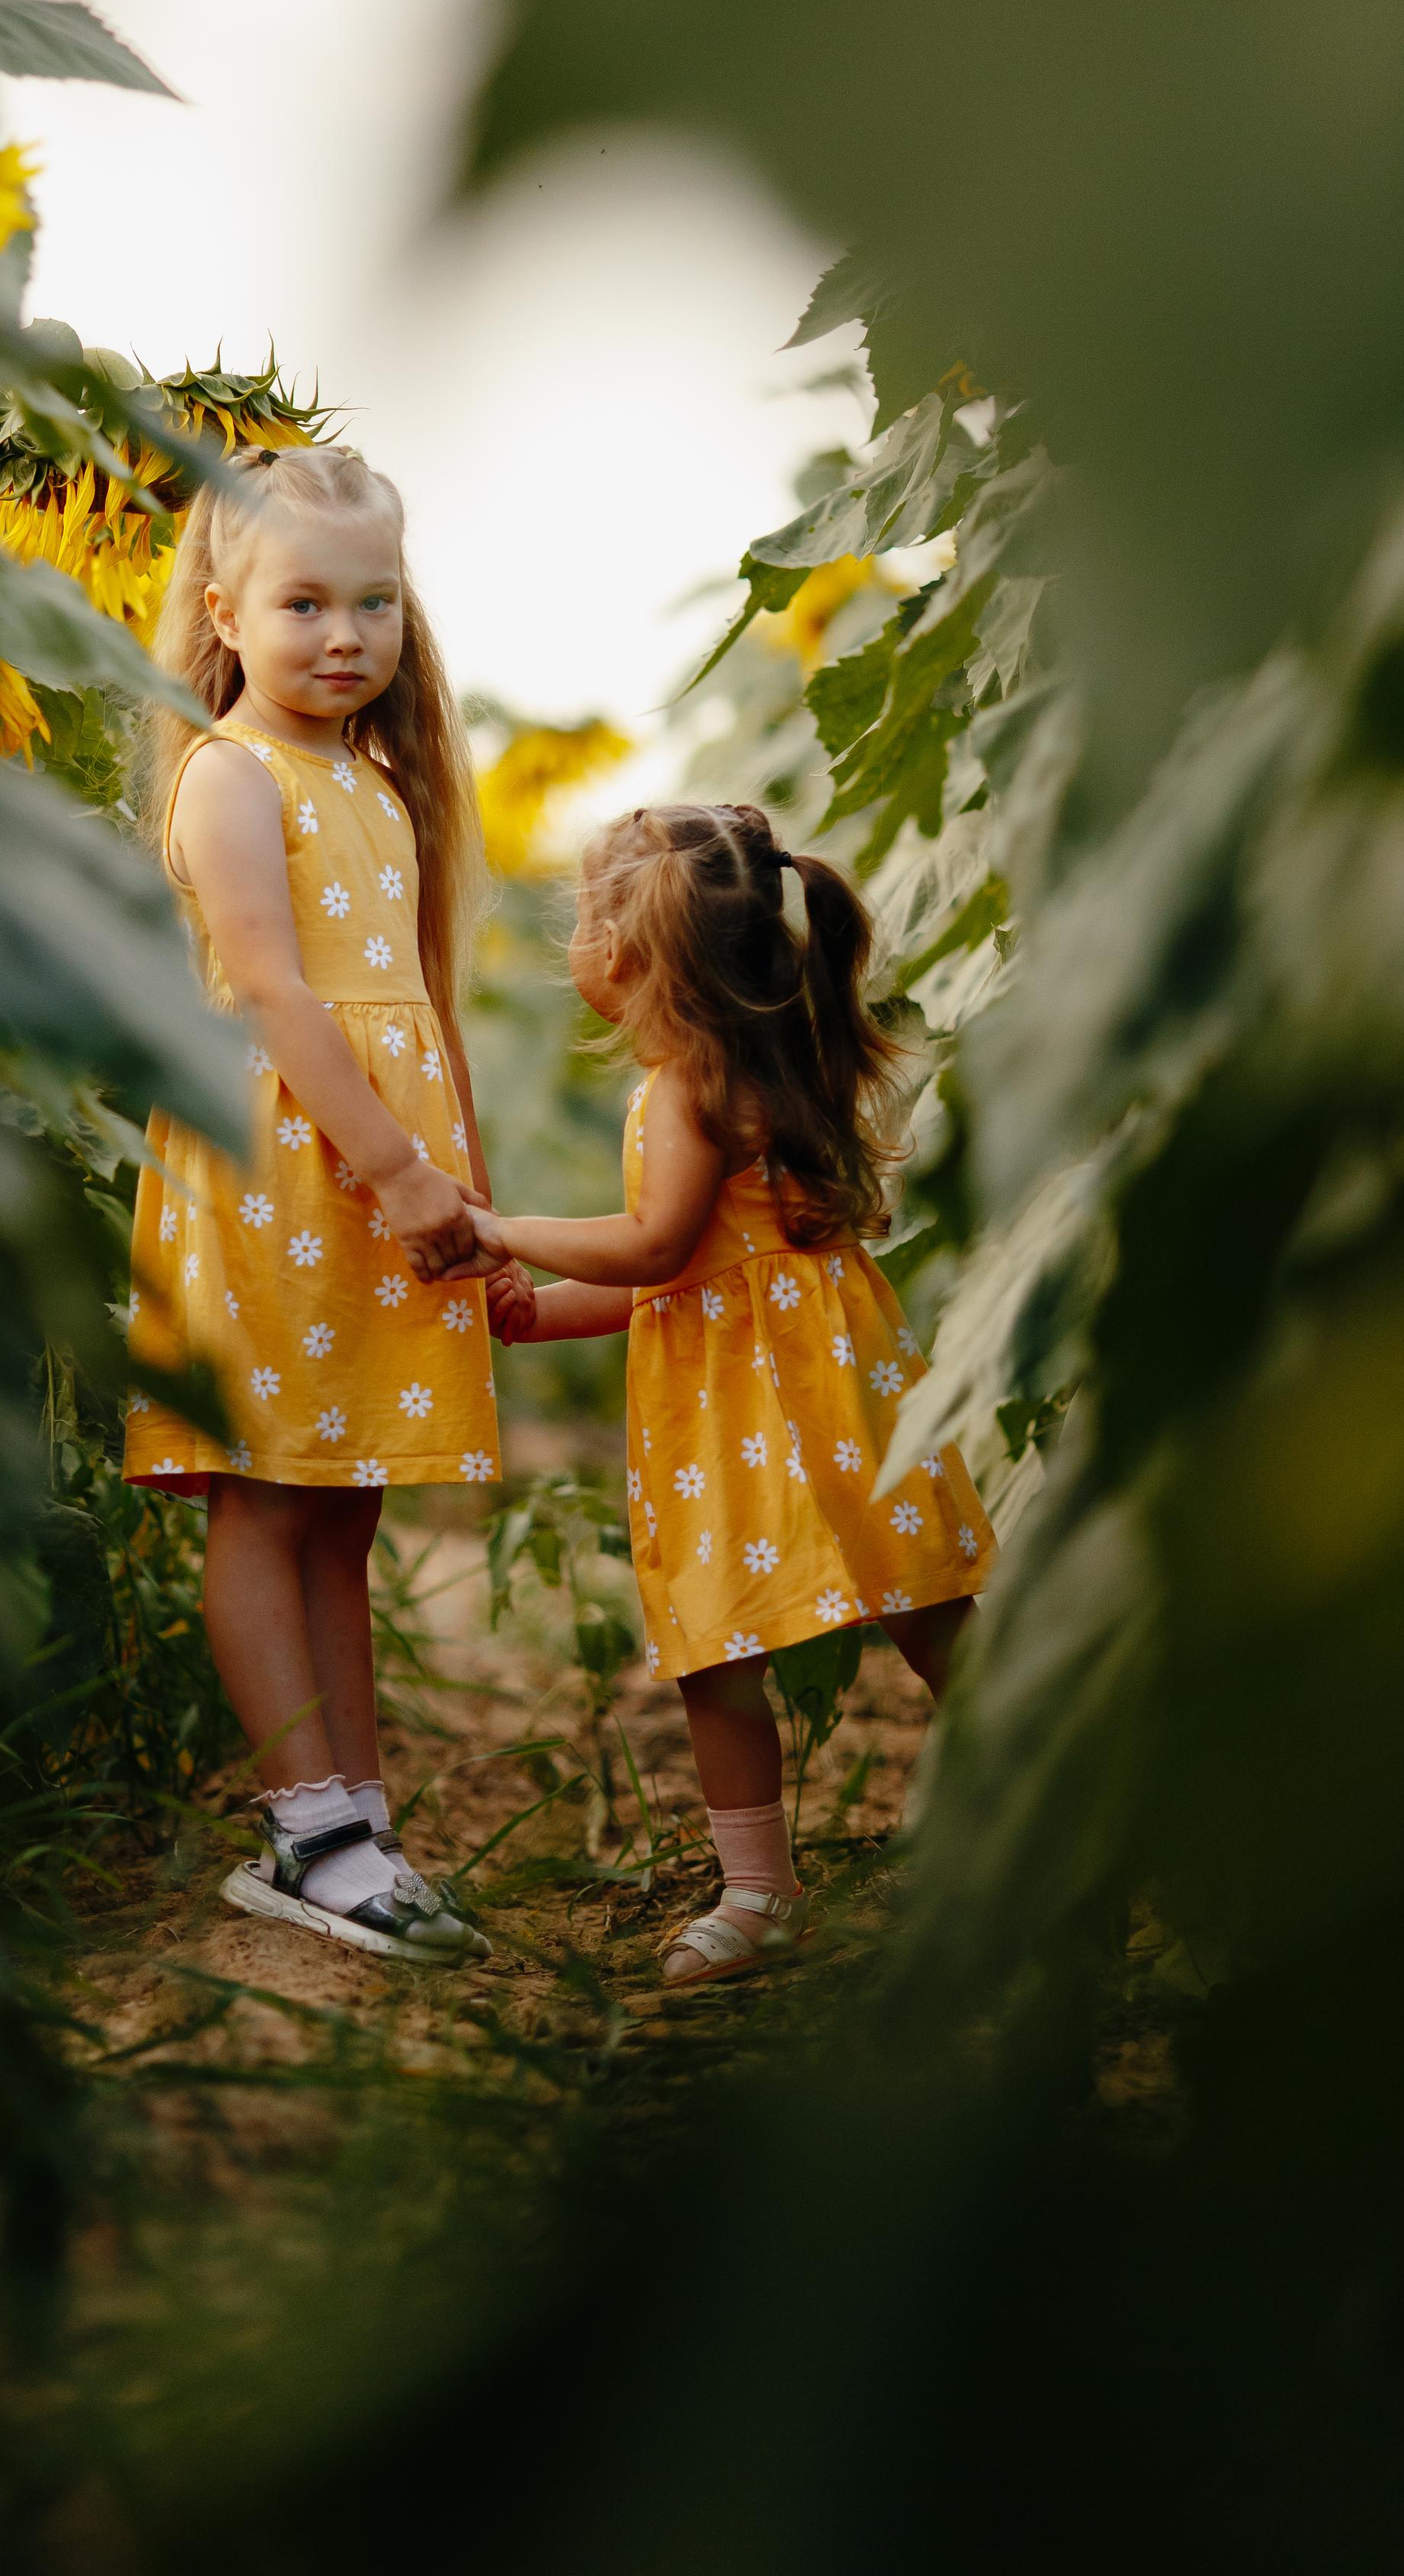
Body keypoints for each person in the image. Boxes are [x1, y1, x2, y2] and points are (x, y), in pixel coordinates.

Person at [472, 800, 997, 1986]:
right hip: (799, 1379)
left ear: (620, 948)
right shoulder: (742, 1064)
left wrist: (503, 1230)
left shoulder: (690, 1091)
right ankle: (1042, 1789)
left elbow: (656, 1249)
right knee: (918, 1608)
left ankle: (765, 1890)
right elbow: (683, 1274)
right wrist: (537, 1311)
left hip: (762, 1400)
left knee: (728, 1648)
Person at [123, 444, 503, 1963]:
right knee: (268, 1498)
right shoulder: (230, 774)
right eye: (303, 602)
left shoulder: (382, 783)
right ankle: (305, 1826)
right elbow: (275, 994)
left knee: (343, 1508)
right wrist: (400, 1169)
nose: (345, 636)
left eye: (375, 603)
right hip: (282, 1169)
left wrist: (463, 1187)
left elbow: (422, 1005)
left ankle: (360, 1814)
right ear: (224, 609)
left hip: (382, 1175)